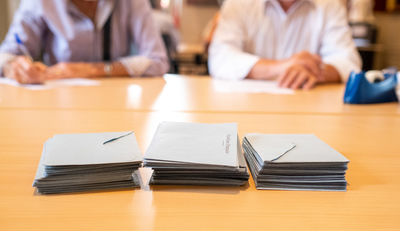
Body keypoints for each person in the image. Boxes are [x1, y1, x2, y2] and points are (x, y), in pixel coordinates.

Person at [0, 0, 169, 84]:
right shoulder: (39, 3)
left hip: (117, 103)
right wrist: (12, 65)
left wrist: (88, 70)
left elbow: (157, 60)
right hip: (57, 106)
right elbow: (7, 53)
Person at [208, 0, 362, 90]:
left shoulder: (330, 5)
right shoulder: (238, 4)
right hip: (244, 108)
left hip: (308, 110)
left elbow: (349, 62)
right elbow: (220, 58)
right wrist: (284, 66)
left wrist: (313, 70)